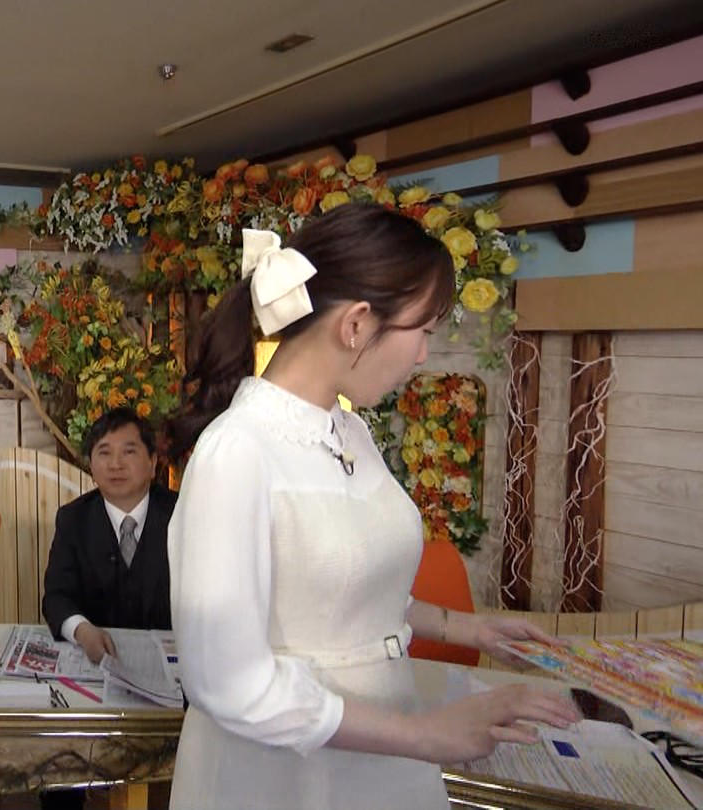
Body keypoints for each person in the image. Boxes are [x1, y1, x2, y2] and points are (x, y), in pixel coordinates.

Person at [165, 204, 580, 809]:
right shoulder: (236, 453)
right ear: (356, 324)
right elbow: (228, 681)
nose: (423, 357)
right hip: (285, 779)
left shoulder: (350, 431)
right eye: (423, 332)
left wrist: (468, 627)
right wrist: (427, 734)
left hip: (383, 755)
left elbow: (341, 590)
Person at [42, 407, 177, 664]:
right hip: (96, 662)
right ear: (91, 465)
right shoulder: (73, 519)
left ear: (152, 463)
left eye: (129, 452)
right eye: (104, 453)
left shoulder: (182, 515)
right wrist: (82, 630)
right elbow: (57, 597)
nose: (115, 464)